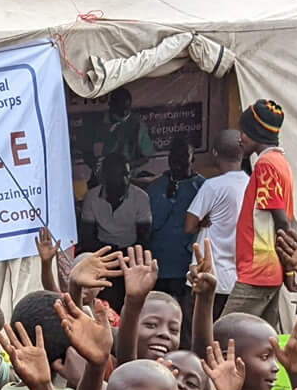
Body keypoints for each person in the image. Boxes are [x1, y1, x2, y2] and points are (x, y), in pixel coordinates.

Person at [222, 99, 297, 329]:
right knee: (261, 340)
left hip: (259, 271)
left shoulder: (265, 166)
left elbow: (282, 221)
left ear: (256, 133)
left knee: (224, 333)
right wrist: (287, 268)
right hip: (269, 269)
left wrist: (291, 268)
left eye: (244, 132)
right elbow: (291, 221)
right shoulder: (280, 163)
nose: (240, 137)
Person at [184, 130, 248, 309]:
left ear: (214, 153)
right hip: (238, 279)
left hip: (208, 276)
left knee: (200, 331)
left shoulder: (212, 186)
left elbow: (189, 226)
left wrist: (201, 221)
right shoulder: (251, 185)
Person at [146, 137, 204, 306]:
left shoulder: (203, 187)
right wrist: (168, 198)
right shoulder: (156, 187)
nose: (177, 160)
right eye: (173, 155)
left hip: (188, 265)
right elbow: (151, 225)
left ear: (192, 159)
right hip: (160, 265)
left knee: (186, 316)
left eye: (183, 155)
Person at [79, 152, 153, 262]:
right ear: (105, 177)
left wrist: (124, 257)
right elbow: (88, 238)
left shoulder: (140, 197)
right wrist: (111, 254)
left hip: (131, 255)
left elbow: (144, 239)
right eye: (117, 175)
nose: (124, 180)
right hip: (102, 254)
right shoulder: (91, 197)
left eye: (126, 174)